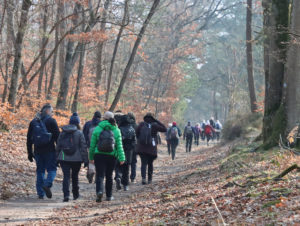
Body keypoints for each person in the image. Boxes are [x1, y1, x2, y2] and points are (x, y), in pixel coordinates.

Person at [89, 111, 125, 202]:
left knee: (100, 175)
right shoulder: (116, 130)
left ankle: (99, 192)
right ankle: (109, 196)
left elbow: (92, 145)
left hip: (99, 155)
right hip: (112, 156)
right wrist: (122, 158)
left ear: (103, 118)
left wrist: (91, 157)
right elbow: (119, 145)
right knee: (109, 176)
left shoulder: (97, 129)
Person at [27, 104, 60, 199]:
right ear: (47, 111)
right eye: (51, 111)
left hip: (37, 151)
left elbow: (29, 139)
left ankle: (40, 194)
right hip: (50, 150)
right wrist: (59, 152)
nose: (52, 113)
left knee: (40, 171)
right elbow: (58, 138)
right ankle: (47, 184)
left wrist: (29, 152)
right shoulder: (52, 121)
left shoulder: (33, 122)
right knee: (52, 169)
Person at [56, 113, 88, 202]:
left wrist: (56, 158)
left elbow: (58, 146)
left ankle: (66, 195)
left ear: (70, 122)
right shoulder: (79, 133)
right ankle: (75, 194)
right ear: (78, 123)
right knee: (75, 176)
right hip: (76, 159)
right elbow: (83, 147)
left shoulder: (63, 132)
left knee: (66, 176)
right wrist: (85, 160)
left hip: (63, 158)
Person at [136, 113, 167, 185]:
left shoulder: (141, 124)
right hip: (151, 148)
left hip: (142, 147)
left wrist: (140, 141)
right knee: (150, 163)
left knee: (143, 163)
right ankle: (149, 179)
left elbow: (136, 133)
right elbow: (165, 129)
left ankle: (143, 178)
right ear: (152, 118)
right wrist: (157, 121)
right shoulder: (155, 125)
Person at [118, 114, 136, 191]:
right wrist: (131, 147)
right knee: (126, 168)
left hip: (120, 150)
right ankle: (125, 184)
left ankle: (118, 177)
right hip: (129, 151)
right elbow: (135, 141)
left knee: (118, 166)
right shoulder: (131, 129)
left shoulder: (119, 129)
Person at [82, 111, 101, 183]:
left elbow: (83, 135)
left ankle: (91, 171)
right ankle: (97, 177)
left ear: (93, 116)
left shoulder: (88, 124)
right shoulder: (102, 124)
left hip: (90, 145)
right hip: (101, 147)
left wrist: (85, 145)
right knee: (99, 162)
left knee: (91, 160)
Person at [128, 112, 138, 183]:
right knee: (133, 162)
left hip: (126, 147)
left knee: (126, 163)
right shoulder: (136, 126)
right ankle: (132, 177)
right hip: (134, 147)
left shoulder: (124, 125)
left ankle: (124, 177)